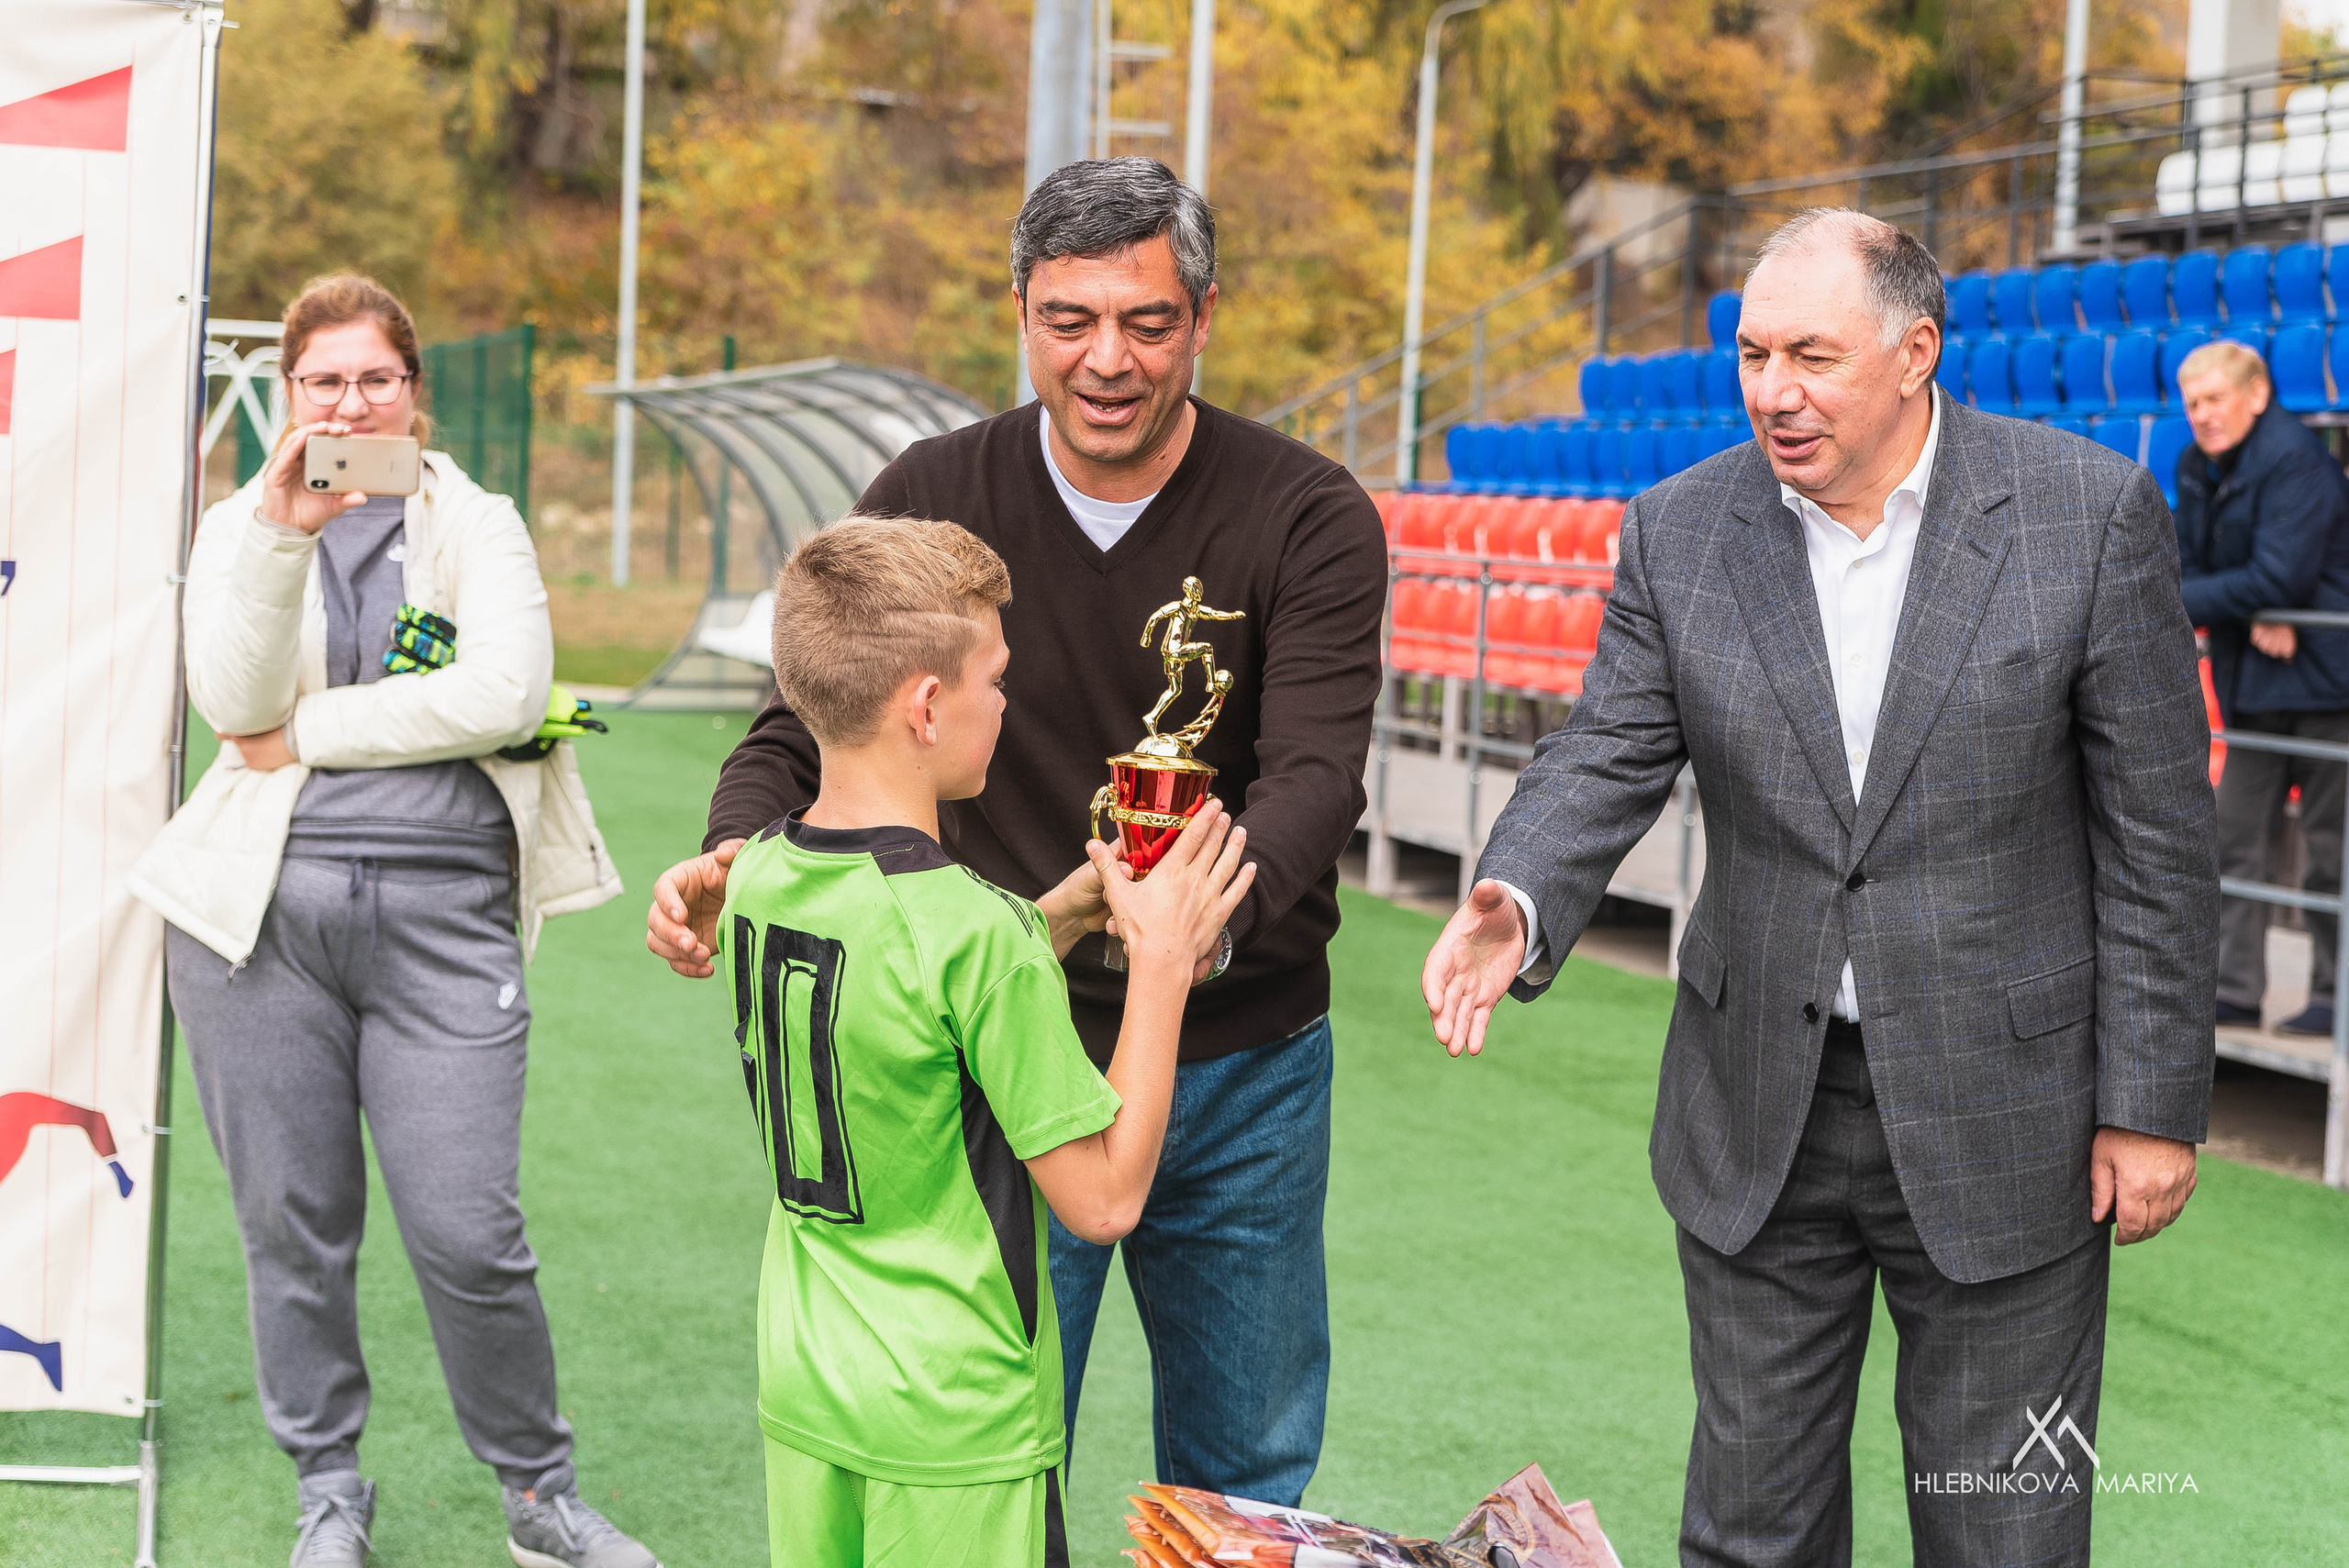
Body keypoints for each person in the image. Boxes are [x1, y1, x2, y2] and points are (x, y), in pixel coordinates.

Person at [1420, 210, 2218, 1568]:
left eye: (1811, 356)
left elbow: (2159, 836)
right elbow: (1606, 747)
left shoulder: (2087, 516)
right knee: (1750, 1537)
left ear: (1916, 352)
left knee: (2007, 1537)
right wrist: (1518, 891)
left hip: (2010, 1116)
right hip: (1756, 1113)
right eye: (1752, 355)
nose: (1773, 390)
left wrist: (2148, 1103)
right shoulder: (1682, 528)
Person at [646, 158, 1386, 1505]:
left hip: (1246, 1054)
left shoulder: (1307, 509)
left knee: (1246, 1472)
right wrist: (734, 847)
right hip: (1002, 1042)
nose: (1107, 359)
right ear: (1021, 312)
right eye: (1069, 319)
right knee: (997, 1445)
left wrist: (1186, 937)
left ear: (1203, 316)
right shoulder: (932, 489)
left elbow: (1316, 776)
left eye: (1146, 322)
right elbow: (800, 719)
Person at [128, 275, 651, 1568]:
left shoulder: (477, 520)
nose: (350, 404)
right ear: (288, 396)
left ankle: (537, 1497)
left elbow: (504, 691)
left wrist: (303, 731)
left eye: (375, 379)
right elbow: (228, 700)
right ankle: (327, 1487)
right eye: (324, 382)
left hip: (445, 921)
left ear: (413, 391)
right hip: (257, 929)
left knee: (470, 1232)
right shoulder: (243, 526)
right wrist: (282, 533)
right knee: (292, 1228)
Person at [723, 517, 1253, 1566]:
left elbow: (903, 1001)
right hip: (952, 1417)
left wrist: (1055, 913)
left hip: (808, 1379)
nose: (1005, 701)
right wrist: (1160, 962)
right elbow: (1104, 1199)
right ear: (927, 706)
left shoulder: (758, 870)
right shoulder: (976, 934)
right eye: (995, 678)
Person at [2172, 339, 2349, 1038]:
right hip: (2254, 682)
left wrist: (2257, 601)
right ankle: (2235, 989)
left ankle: (2335, 998)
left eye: (2215, 398)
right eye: (2192, 402)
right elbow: (2179, 571)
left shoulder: (2296, 459)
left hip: (2329, 685)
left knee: (2332, 851)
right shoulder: (2195, 465)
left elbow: (2280, 576)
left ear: (2257, 393)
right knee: (2232, 838)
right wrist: (2254, 610)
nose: (2202, 414)